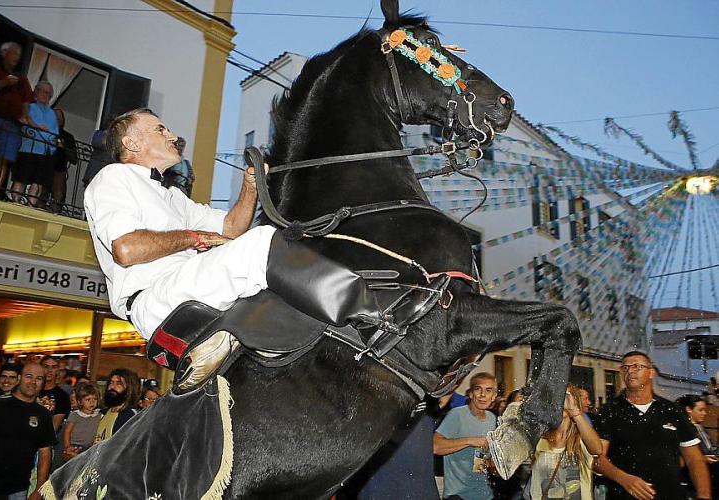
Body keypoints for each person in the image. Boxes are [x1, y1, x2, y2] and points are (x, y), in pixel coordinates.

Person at [83, 108, 447, 392]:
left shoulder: (172, 196)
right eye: (160, 129)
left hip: (187, 287)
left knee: (270, 259)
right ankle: (372, 314)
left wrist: (251, 186)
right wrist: (197, 239)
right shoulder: (114, 178)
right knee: (260, 245)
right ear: (130, 144)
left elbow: (230, 228)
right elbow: (127, 249)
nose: (173, 136)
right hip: (155, 299)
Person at [593, 351, 711, 500]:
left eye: (637, 366)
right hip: (624, 495)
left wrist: (704, 495)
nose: (630, 371)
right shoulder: (609, 411)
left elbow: (694, 459)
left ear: (651, 373)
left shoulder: (672, 410)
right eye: (625, 367)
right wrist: (624, 479)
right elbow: (597, 459)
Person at [0, 363, 56, 500]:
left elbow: (45, 454)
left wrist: (39, 489)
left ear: (43, 383)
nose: (33, 382)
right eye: (29, 376)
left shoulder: (43, 415)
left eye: (38, 378)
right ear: (19, 378)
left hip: (18, 488)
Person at [524, 384, 602, 499]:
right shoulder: (539, 439)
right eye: (555, 396)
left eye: (564, 396)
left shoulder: (581, 439)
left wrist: (574, 411)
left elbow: (597, 450)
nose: (560, 402)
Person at [434, 372, 499, 500]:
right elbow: (435, 446)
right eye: (478, 389)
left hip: (484, 494)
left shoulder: (492, 419)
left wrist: (494, 465)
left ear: (494, 396)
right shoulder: (457, 415)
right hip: (459, 495)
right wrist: (471, 441)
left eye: (488, 390)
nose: (483, 395)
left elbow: (484, 458)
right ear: (470, 393)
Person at [0, 41, 33, 200]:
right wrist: (4, 83)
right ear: (4, 53)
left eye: (19, 55)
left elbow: (26, 103)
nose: (17, 57)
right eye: (14, 53)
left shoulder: (22, 80)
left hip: (12, 124)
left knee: (4, 159)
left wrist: (25, 117)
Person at [9, 81, 58, 206]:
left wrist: (48, 141)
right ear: (36, 91)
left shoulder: (52, 114)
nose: (46, 95)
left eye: (49, 93)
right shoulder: (29, 107)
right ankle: (15, 203)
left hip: (44, 152)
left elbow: (54, 133)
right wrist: (40, 130)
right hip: (27, 149)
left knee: (38, 183)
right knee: (20, 179)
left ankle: (31, 207)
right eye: (44, 91)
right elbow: (25, 125)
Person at [677, 394, 719, 497]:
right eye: (700, 410)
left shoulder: (702, 429)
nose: (704, 413)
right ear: (688, 409)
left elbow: (711, 448)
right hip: (695, 478)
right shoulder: (683, 430)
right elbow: (679, 460)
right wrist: (702, 459)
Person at [94, 368, 140, 443]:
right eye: (111, 382)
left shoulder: (130, 416)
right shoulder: (103, 413)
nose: (112, 387)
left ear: (129, 389)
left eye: (119, 384)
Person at [62, 383, 101, 461]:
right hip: (75, 446)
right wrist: (67, 446)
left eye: (94, 399)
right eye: (88, 399)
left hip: (90, 447)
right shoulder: (75, 415)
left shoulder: (99, 415)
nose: (92, 402)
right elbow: (67, 432)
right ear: (80, 402)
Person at [50, 108, 77, 213]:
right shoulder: (46, 131)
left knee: (59, 195)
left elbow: (74, 159)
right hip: (45, 166)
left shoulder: (68, 137)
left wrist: (63, 147)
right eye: (56, 117)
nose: (58, 119)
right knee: (41, 192)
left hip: (60, 169)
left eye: (60, 117)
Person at [38, 355, 71, 432]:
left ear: (57, 370)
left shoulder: (62, 396)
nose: (49, 370)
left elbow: (53, 427)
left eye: (53, 367)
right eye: (46, 366)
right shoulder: (31, 391)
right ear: (40, 368)